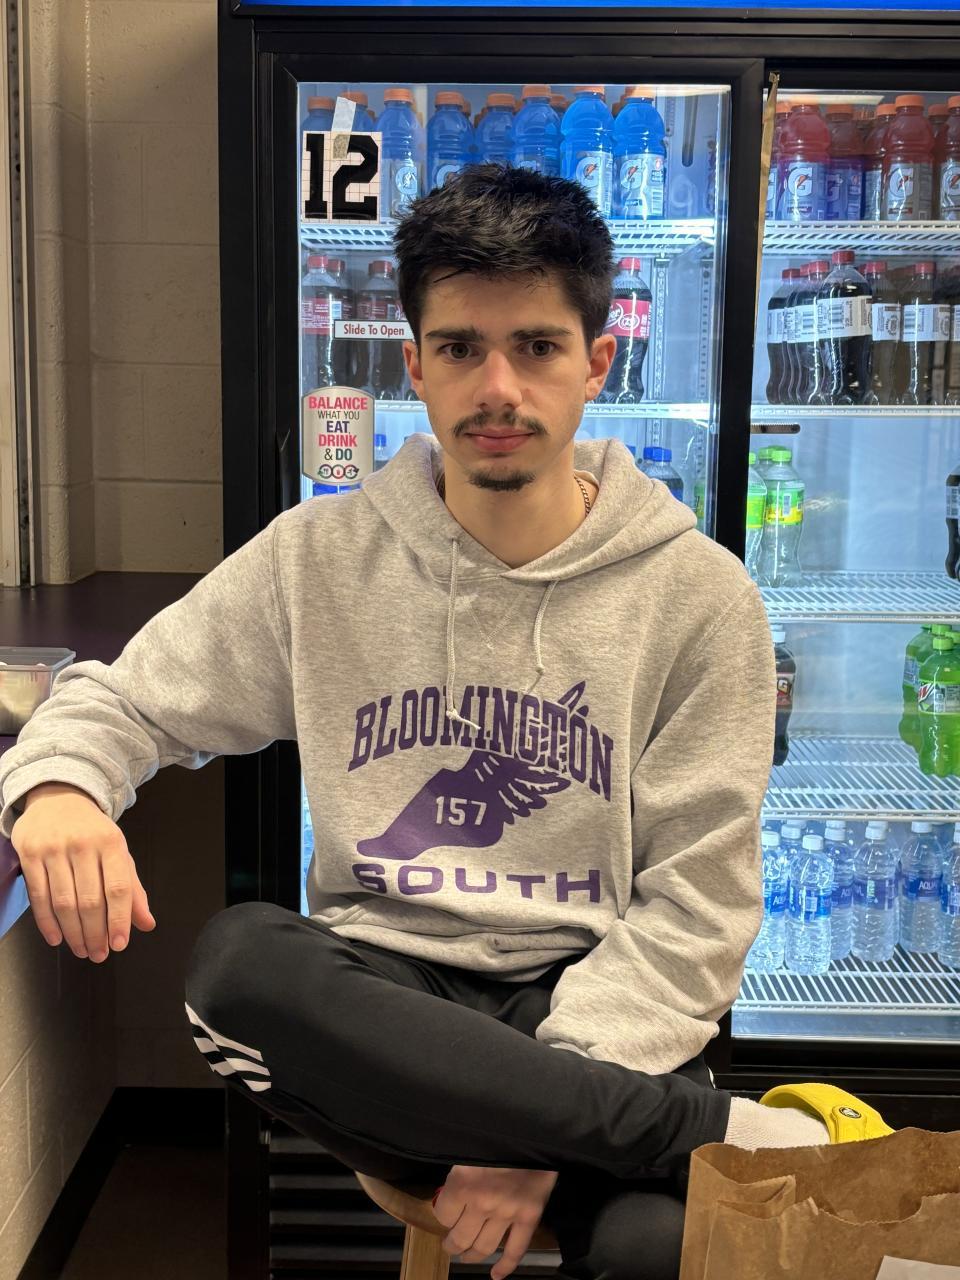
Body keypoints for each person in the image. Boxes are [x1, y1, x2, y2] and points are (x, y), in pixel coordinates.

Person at [0, 165, 890, 1280]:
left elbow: (699, 902)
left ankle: (629, 1123)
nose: (498, 387)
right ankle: (710, 1131)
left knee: (657, 1248)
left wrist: (534, 1116)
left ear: (597, 363)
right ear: (415, 366)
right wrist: (59, 785)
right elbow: (125, 696)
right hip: (393, 1013)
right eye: (462, 348)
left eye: (538, 346)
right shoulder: (319, 558)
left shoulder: (700, 598)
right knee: (239, 967)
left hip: (609, 998)